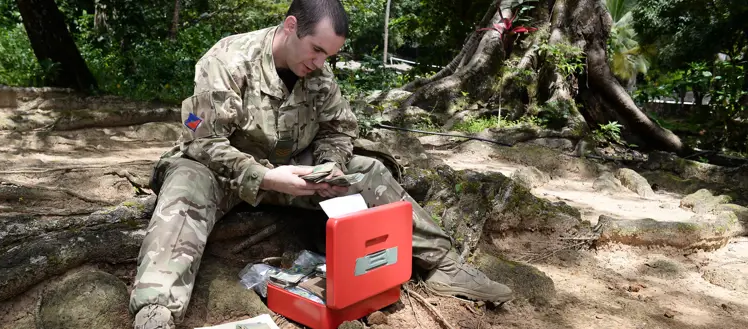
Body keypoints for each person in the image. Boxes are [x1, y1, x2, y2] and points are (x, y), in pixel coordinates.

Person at [130, 0, 513, 327]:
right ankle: (156, 307)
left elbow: (340, 128)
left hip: (297, 171)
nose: (320, 62)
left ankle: (444, 265)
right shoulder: (227, 60)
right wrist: (264, 176)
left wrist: (328, 168)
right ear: (291, 26)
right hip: (226, 173)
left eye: (328, 55)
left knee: (371, 172)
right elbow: (203, 140)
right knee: (186, 182)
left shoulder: (317, 74)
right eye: (316, 50)